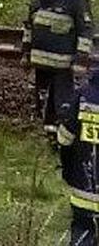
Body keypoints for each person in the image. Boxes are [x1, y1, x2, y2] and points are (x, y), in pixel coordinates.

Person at [24, 0, 93, 134]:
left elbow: (85, 30)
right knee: (43, 101)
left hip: (63, 66)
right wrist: (25, 52)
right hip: (41, 64)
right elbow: (29, 27)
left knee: (62, 103)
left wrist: (80, 59)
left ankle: (61, 139)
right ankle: (49, 135)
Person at [55, 65, 99, 244]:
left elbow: (65, 140)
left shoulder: (83, 96)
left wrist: (68, 170)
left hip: (84, 187)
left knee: (83, 230)